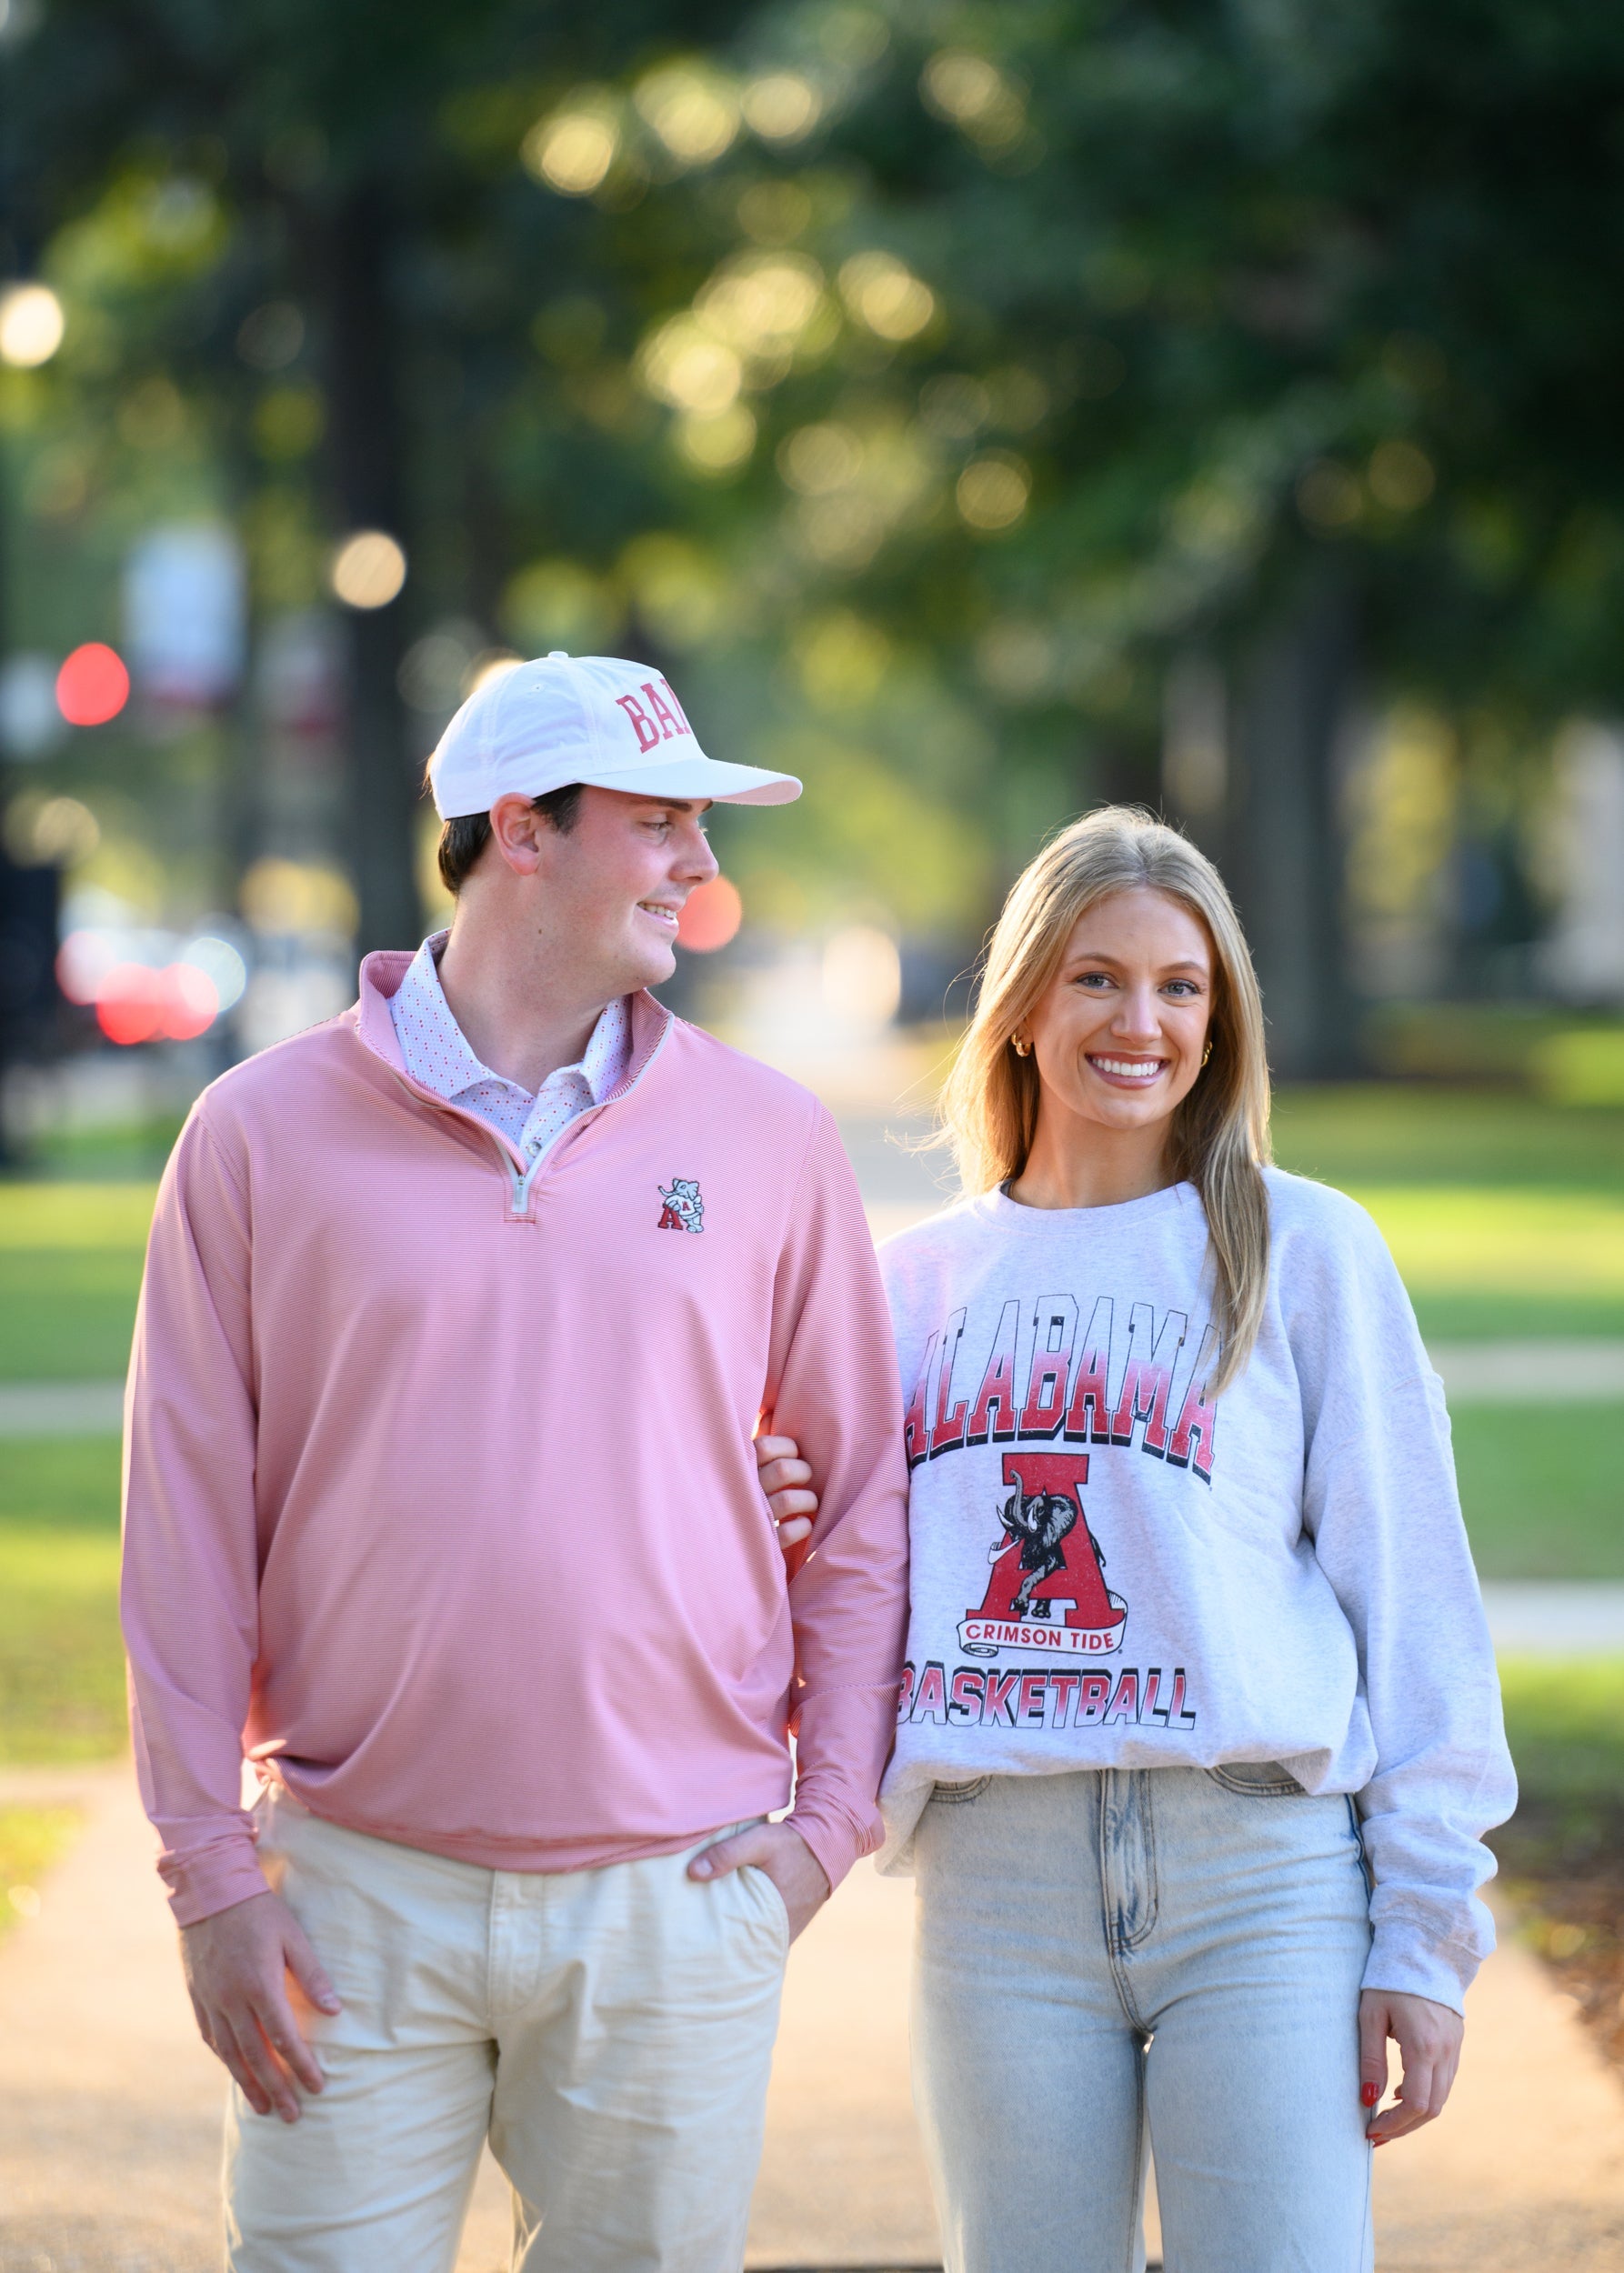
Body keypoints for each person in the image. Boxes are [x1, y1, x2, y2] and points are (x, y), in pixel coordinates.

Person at [121, 651, 910, 2273]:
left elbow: (857, 1506)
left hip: (674, 1900)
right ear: (518, 832)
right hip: (349, 1895)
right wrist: (210, 1879)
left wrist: (825, 1827)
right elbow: (182, 1527)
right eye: (661, 823)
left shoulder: (769, 1140)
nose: (700, 865)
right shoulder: (257, 1135)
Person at [765, 806, 1516, 2273]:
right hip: (999, 1890)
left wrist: (1423, 1939)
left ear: (1220, 1021)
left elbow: (1414, 1597)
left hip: (1262, 1879)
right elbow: (839, 1597)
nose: (1140, 1020)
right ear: (1024, 1008)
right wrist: (776, 1520)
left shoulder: (1303, 1252)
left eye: (1182, 987)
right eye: (1097, 977)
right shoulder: (904, 1291)